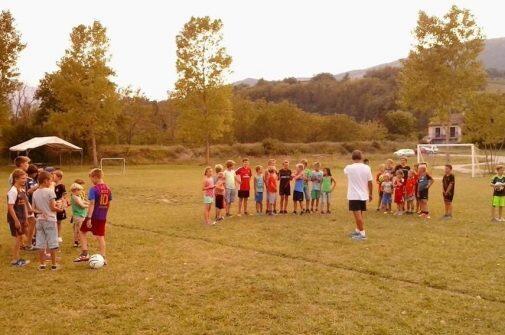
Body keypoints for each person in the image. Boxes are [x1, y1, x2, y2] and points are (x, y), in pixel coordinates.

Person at [74, 168, 112, 264]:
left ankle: (85, 254)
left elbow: (92, 203)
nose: (91, 180)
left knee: (82, 231)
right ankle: (103, 257)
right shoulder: (108, 188)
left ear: (95, 177)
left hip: (94, 216)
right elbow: (108, 203)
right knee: (100, 236)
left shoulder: (94, 189)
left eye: (91, 178)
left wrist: (89, 218)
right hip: (102, 216)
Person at [32, 171, 62, 270]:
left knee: (40, 243)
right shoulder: (50, 191)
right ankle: (53, 265)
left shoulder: (35, 193)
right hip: (50, 220)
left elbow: (33, 209)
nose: (51, 182)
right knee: (52, 242)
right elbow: (53, 208)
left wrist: (41, 211)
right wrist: (60, 208)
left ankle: (42, 265)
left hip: (39, 220)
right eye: (50, 180)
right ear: (45, 181)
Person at [344, 150, 373, 241]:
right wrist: (370, 193)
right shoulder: (367, 168)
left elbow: (345, 172)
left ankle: (362, 234)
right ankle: (358, 230)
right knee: (360, 214)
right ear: (361, 157)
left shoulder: (349, 167)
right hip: (363, 194)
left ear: (352, 157)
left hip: (354, 195)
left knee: (358, 216)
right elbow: (370, 182)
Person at [7, 169, 30, 267]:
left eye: (25, 178)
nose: (25, 180)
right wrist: (16, 221)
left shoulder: (22, 189)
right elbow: (10, 208)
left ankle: (18, 259)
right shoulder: (12, 191)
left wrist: (25, 219)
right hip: (14, 218)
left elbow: (24, 205)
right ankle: (15, 261)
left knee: (20, 238)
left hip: (21, 218)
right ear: (16, 179)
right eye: (23, 178)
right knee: (17, 239)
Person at [24, 164, 39, 249]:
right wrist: (38, 186)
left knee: (33, 222)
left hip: (32, 203)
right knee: (32, 222)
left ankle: (31, 240)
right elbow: (28, 191)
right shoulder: (28, 181)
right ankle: (29, 242)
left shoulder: (32, 180)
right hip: (29, 204)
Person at [70, 183, 89, 247]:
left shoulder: (75, 196)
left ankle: (76, 242)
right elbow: (82, 205)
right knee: (81, 230)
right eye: (80, 190)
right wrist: (89, 206)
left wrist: (88, 203)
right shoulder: (76, 197)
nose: (81, 192)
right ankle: (81, 242)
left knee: (77, 228)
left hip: (77, 215)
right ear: (76, 190)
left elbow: (83, 201)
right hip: (79, 215)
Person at [52, 170, 67, 243]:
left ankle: (58, 235)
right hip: (52, 205)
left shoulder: (61, 186)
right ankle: (53, 236)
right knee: (52, 221)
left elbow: (64, 196)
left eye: (54, 176)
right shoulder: (50, 185)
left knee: (59, 221)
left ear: (59, 177)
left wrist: (60, 202)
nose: (52, 177)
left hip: (59, 205)